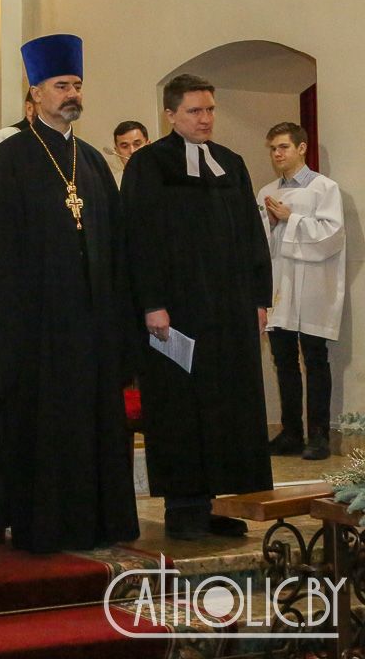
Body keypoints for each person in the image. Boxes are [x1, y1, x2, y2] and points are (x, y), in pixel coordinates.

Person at [0, 34, 139, 553]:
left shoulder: (91, 160)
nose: (72, 94)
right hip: (35, 333)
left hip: (89, 331)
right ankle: (38, 524)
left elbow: (114, 247)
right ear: (35, 92)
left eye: (78, 85)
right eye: (61, 85)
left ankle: (95, 523)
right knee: (40, 431)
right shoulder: (12, 156)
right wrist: (3, 334)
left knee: (92, 427)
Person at [122, 73, 273, 540]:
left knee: (228, 404)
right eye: (194, 111)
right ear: (170, 114)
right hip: (177, 312)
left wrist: (260, 297)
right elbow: (139, 239)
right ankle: (183, 507)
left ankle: (214, 501)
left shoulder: (231, 162)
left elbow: (252, 231)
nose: (205, 118)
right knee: (181, 408)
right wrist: (152, 304)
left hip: (228, 311)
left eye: (209, 109)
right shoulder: (149, 164)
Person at [257, 121, 345, 461]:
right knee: (283, 361)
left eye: (283, 147)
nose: (277, 154)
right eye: (273, 149)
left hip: (311, 289)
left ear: (302, 148)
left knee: (314, 359)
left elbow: (331, 237)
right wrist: (271, 221)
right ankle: (291, 431)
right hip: (280, 286)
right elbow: (259, 241)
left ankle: (318, 434)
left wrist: (291, 218)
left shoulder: (324, 189)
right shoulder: (266, 190)